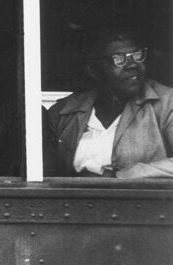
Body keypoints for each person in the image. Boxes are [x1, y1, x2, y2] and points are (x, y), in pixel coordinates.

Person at [45, 27, 173, 178]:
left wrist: (129, 175)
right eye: (119, 58)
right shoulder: (64, 112)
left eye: (137, 55)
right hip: (76, 200)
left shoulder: (167, 103)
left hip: (138, 201)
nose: (133, 64)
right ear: (93, 69)